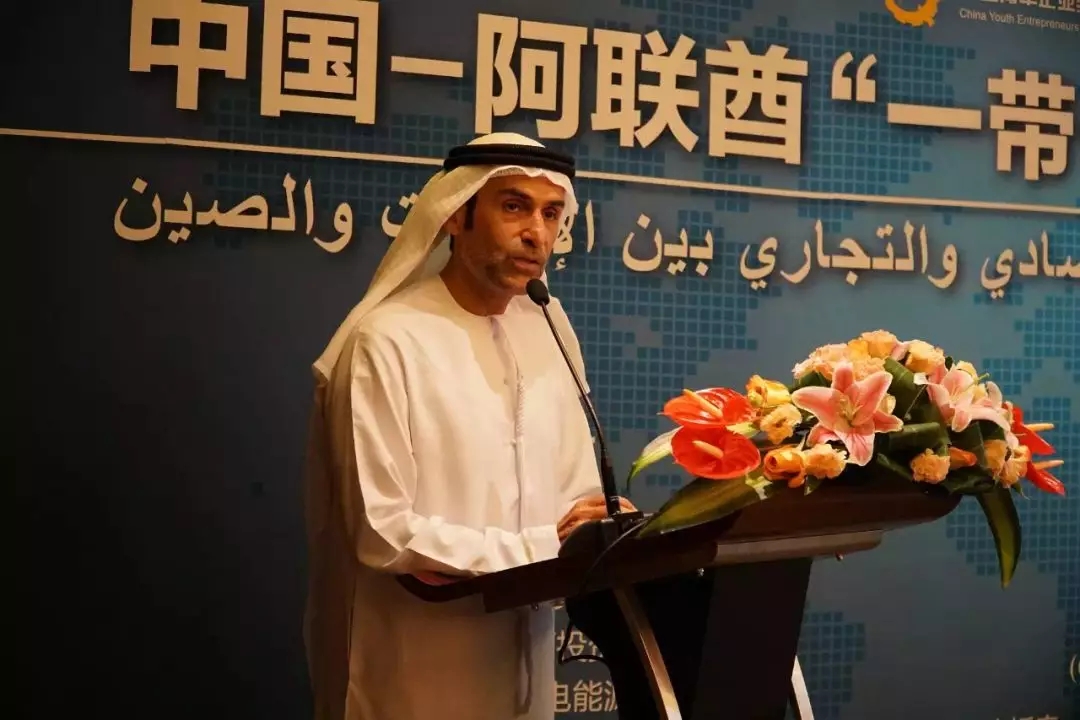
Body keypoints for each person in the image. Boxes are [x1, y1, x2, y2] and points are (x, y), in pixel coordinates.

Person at [303, 132, 635, 720]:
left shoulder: (546, 327)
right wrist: (543, 545)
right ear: (457, 214)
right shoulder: (388, 340)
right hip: (418, 669)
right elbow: (382, 531)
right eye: (514, 207)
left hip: (527, 662)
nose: (537, 232)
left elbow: (575, 498)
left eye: (551, 213)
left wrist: (605, 526)